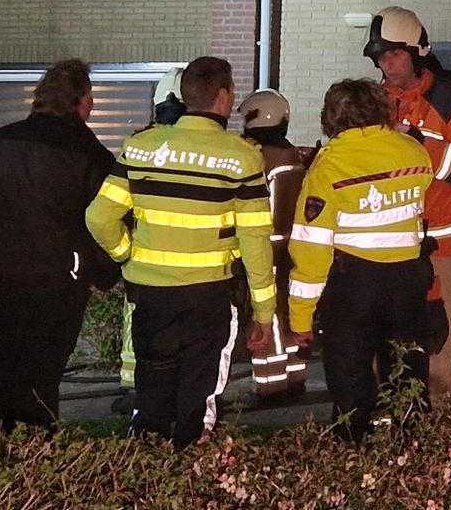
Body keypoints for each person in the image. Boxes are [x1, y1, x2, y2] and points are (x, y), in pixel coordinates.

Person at [85, 56, 278, 449]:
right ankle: (188, 466)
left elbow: (98, 217)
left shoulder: (141, 148)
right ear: (224, 97)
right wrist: (264, 312)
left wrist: (127, 254)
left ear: (186, 94)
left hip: (151, 295)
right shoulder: (242, 158)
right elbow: (255, 241)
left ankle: (146, 469)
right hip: (208, 297)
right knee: (196, 393)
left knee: (152, 387)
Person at [0, 58, 119, 432]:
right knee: (42, 374)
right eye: (90, 97)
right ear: (79, 102)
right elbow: (108, 218)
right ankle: (34, 454)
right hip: (59, 282)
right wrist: (103, 271)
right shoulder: (89, 155)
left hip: (1, 278)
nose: (93, 106)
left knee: (1, 371)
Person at [287, 78, 436, 442]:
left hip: (353, 288)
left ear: (331, 117)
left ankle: (352, 456)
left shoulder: (329, 165)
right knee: (407, 376)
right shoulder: (413, 152)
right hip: (408, 283)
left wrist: (300, 318)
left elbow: (311, 247)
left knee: (350, 381)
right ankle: (416, 458)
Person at [364, 6, 451, 405]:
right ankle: (390, 443)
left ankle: (440, 446)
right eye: (379, 56)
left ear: (418, 51)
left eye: (394, 54)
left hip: (444, 246)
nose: (386, 64)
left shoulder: (449, 99)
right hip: (390, 245)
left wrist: (423, 147)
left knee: (438, 348)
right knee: (384, 347)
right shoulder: (376, 101)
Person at [111, 67, 187, 417]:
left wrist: (123, 253)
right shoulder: (205, 148)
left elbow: (108, 211)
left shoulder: (137, 146)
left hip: (142, 265)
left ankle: (137, 391)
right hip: (194, 266)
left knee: (138, 326)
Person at [236, 87, 310, 401]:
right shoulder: (292, 156)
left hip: (265, 246)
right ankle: (294, 375)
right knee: (286, 311)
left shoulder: (257, 158)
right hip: (293, 246)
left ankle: (271, 383)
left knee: (267, 315)